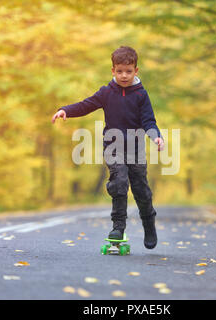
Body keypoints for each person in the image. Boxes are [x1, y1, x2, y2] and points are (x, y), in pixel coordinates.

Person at [51, 46, 164, 249]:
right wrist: (64, 110)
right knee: (119, 183)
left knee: (141, 190)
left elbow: (149, 121)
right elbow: (85, 105)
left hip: (136, 148)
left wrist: (156, 137)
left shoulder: (141, 95)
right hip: (113, 147)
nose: (124, 75)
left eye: (128, 71)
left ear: (136, 71)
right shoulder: (106, 93)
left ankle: (149, 224)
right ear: (112, 70)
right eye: (119, 71)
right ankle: (118, 228)